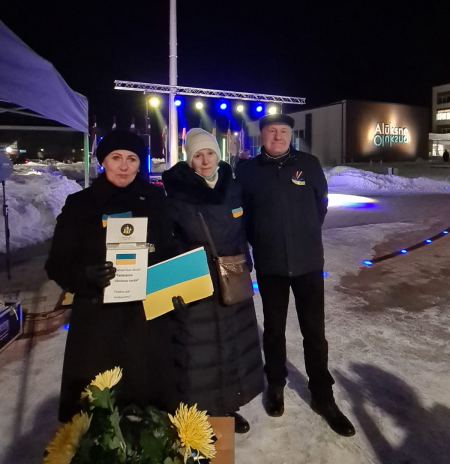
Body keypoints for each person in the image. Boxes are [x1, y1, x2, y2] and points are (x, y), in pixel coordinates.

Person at [236, 114, 355, 437]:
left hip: (308, 263)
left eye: (283, 131)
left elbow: (321, 206)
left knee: (314, 332)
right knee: (274, 330)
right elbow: (242, 216)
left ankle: (322, 395)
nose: (278, 136)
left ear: (291, 135)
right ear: (261, 136)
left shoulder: (309, 165)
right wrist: (262, 240)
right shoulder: (247, 172)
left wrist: (303, 235)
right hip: (270, 264)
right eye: (271, 131)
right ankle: (275, 383)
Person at [46, 130, 178, 422]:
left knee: (148, 400)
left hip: (145, 320)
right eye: (116, 157)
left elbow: (168, 251)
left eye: (132, 159)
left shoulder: (155, 200)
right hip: (98, 323)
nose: (124, 166)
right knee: (99, 408)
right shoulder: (81, 204)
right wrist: (86, 276)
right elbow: (57, 264)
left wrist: (176, 287)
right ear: (103, 161)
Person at [162, 128, 264, 434]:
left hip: (231, 278)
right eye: (198, 155)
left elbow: (244, 230)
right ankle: (197, 414)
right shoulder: (176, 192)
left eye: (209, 153)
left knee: (232, 344)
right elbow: (167, 241)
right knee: (198, 350)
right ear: (189, 159)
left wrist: (246, 263)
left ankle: (227, 406)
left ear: (218, 155)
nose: (205, 160)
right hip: (195, 281)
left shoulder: (233, 188)